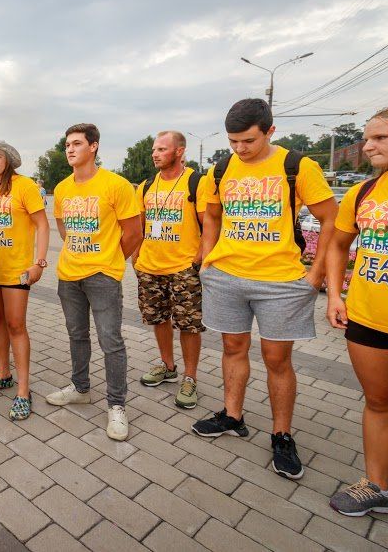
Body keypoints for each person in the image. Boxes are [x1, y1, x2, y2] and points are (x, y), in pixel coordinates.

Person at [193, 99, 338, 481]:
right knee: (232, 347)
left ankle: (281, 435)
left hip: (280, 282)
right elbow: (211, 214)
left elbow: (330, 219)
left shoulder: (297, 166)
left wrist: (317, 274)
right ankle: (232, 415)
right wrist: (207, 258)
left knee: (277, 359)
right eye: (233, 141)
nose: (240, 149)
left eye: (249, 141)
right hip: (227, 276)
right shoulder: (221, 169)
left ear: (270, 131)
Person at [45, 123, 141, 441]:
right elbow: (64, 230)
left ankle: (116, 405)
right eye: (67, 145)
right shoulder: (62, 188)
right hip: (68, 275)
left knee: (110, 341)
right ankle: (80, 388)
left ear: (93, 146)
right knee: (77, 335)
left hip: (103, 277)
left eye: (76, 143)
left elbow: (134, 233)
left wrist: (110, 260)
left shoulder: (116, 185)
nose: (70, 149)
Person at [327, 106, 388, 516]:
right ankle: (378, 486)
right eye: (367, 138)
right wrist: (335, 295)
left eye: (380, 138)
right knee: (379, 402)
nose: (367, 146)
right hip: (368, 319)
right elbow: (337, 245)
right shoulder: (363, 192)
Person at [0, 141, 49, 421]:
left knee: (16, 325)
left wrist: (39, 262)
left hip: (17, 269)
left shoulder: (24, 185)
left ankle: (24, 390)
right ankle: (4, 374)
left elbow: (42, 224)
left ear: (8, 161)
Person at [131, 131, 206, 409]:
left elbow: (210, 225)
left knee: (188, 324)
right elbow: (140, 224)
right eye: (154, 149)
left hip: (184, 268)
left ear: (179, 151)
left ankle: (190, 377)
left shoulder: (196, 182)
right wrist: (137, 257)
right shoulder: (146, 186)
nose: (155, 154)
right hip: (150, 267)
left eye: (162, 149)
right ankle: (168, 366)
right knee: (158, 319)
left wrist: (197, 260)